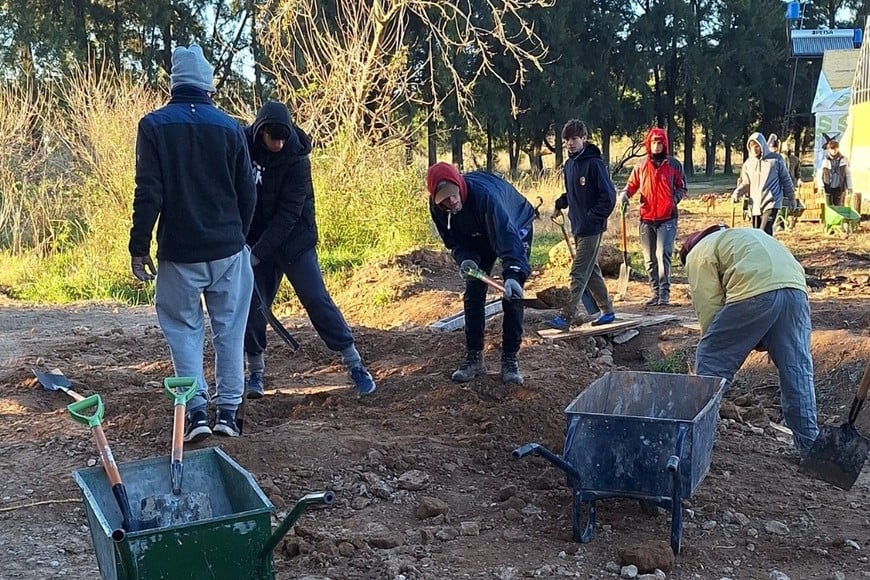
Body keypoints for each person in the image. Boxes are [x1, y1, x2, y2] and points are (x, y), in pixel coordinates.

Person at [128, 44, 256, 441]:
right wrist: (239, 236)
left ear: (174, 84)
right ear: (209, 86)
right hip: (227, 249)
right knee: (230, 332)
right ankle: (229, 413)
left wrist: (139, 246)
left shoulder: (153, 126)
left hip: (179, 252)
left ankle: (196, 412)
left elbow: (149, 192)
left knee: (183, 331)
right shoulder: (231, 128)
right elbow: (247, 192)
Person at [243, 101, 376, 398]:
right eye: (273, 139)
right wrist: (244, 243)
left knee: (316, 298)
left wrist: (257, 253)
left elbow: (288, 214)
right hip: (255, 238)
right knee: (252, 307)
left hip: (294, 239)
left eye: (283, 139)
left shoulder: (297, 158)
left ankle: (354, 363)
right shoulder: (243, 147)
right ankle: (255, 372)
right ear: (260, 132)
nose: (278, 144)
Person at [679, 225, 818, 458]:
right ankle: (810, 448)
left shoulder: (697, 253)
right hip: (795, 291)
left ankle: (694, 443)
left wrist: (719, 342)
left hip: (754, 291)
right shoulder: (744, 236)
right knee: (797, 371)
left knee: (711, 358)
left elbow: (709, 307)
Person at [426, 162, 533, 385]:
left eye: (453, 194)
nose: (451, 201)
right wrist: (465, 259)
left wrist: (514, 274)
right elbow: (454, 242)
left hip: (513, 225)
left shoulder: (485, 198)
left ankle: (510, 360)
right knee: (473, 292)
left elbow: (508, 240)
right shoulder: (438, 208)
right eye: (444, 198)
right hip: (476, 235)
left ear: (459, 184)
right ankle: (474, 358)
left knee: (513, 294)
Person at [549, 119, 616, 330]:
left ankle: (566, 316)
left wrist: (593, 217)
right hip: (577, 225)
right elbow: (573, 193)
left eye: (574, 139)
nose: (570, 143)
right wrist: (561, 202)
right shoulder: (569, 165)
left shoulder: (594, 164)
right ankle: (607, 310)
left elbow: (609, 196)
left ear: (584, 139)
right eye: (566, 140)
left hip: (592, 228)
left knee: (578, 272)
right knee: (591, 270)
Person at [617, 127, 686, 307]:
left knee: (663, 254)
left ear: (665, 145)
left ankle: (664, 294)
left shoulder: (673, 165)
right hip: (646, 218)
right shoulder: (641, 165)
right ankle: (655, 292)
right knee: (649, 259)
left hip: (667, 217)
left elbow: (682, 187)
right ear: (649, 144)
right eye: (653, 142)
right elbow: (631, 185)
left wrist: (673, 200)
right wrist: (624, 194)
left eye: (660, 143)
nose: (656, 146)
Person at [731, 132, 794, 236]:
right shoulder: (748, 164)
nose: (755, 149)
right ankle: (766, 246)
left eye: (757, 146)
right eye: (752, 147)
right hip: (755, 204)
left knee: (764, 232)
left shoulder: (775, 160)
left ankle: (767, 246)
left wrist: (791, 198)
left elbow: (786, 180)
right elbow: (746, 183)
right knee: (757, 234)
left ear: (762, 145)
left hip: (771, 202)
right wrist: (737, 193)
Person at [815, 139, 852, 207]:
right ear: (828, 150)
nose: (834, 150)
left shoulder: (844, 160)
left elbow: (848, 175)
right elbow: (819, 175)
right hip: (827, 188)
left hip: (839, 188)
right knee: (829, 207)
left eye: (836, 148)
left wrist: (850, 187)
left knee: (839, 207)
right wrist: (821, 186)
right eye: (832, 149)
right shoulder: (824, 160)